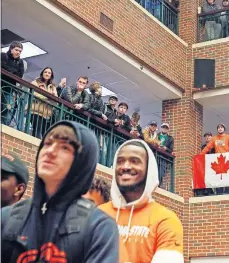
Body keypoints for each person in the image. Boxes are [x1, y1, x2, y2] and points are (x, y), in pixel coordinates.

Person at [1, 121, 119, 263]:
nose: (50, 151)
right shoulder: (7, 217)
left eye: (65, 147)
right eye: (47, 143)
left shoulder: (100, 226)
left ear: (82, 161)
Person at [99, 139, 184, 263]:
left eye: (134, 161)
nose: (125, 167)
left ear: (149, 170)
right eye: (120, 161)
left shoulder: (166, 220)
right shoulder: (97, 215)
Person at [201, 124, 229, 194]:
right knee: (218, 178)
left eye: (221, 127)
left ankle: (226, 193)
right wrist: (201, 154)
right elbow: (207, 147)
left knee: (227, 177)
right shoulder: (214, 138)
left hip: (226, 159)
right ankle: (218, 193)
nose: (220, 129)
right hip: (218, 160)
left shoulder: (228, 137)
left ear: (224, 129)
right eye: (219, 128)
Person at [30, 67, 58, 139]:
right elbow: (34, 94)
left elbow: (56, 101)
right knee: (37, 133)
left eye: (49, 73)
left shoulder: (53, 86)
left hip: (46, 115)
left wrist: (53, 97)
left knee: (44, 135)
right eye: (45, 72)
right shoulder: (35, 82)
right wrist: (48, 97)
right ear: (42, 73)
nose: (47, 74)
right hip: (35, 111)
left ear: (51, 75)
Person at [1, 42, 25, 126]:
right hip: (1, 84)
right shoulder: (3, 56)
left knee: (8, 108)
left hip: (9, 89)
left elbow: (19, 76)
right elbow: (2, 66)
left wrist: (10, 72)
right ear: (11, 49)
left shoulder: (20, 62)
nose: (18, 52)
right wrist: (13, 72)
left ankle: (3, 126)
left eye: (20, 51)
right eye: (16, 50)